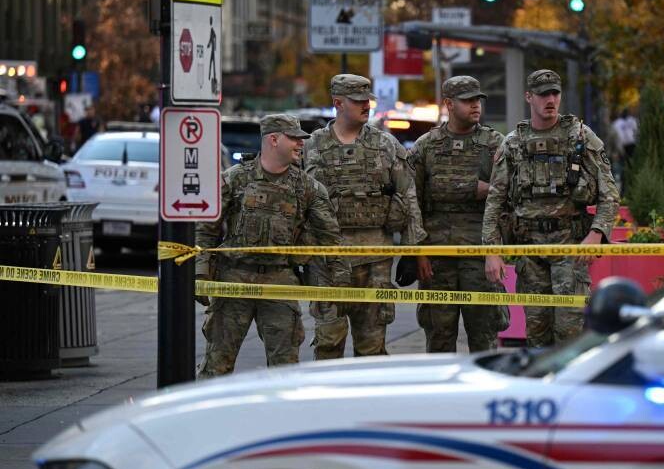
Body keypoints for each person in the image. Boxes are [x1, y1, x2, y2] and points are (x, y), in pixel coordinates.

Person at [195, 114, 349, 378]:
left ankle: (282, 418)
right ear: (273, 139)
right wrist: (200, 272)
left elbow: (331, 239)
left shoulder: (307, 187)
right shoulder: (234, 179)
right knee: (216, 365)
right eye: (294, 139)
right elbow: (205, 229)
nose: (300, 145)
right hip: (234, 281)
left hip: (280, 282)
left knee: (284, 370)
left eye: (301, 140)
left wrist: (339, 286)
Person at [482, 69, 620, 348]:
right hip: (529, 252)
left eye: (555, 93)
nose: (551, 99)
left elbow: (610, 194)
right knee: (536, 337)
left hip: (570, 249)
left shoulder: (580, 137)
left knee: (570, 335)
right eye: (544, 94)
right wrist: (491, 251)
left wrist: (596, 234)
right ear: (529, 97)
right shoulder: (513, 143)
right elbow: (495, 201)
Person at [305, 74, 426, 358]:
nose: (365, 106)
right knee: (328, 344)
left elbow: (408, 196)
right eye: (357, 101)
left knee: (372, 348)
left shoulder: (385, 144)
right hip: (330, 261)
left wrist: (412, 251)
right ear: (338, 102)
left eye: (366, 101)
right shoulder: (314, 145)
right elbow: (304, 201)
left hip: (376, 260)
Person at [409, 76, 509, 352]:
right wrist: (419, 252)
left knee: (484, 336)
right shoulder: (426, 146)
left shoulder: (494, 144)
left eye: (478, 100)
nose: (475, 106)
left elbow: (505, 197)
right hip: (438, 257)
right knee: (439, 338)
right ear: (449, 104)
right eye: (468, 101)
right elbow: (411, 202)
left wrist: (494, 251)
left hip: (479, 254)